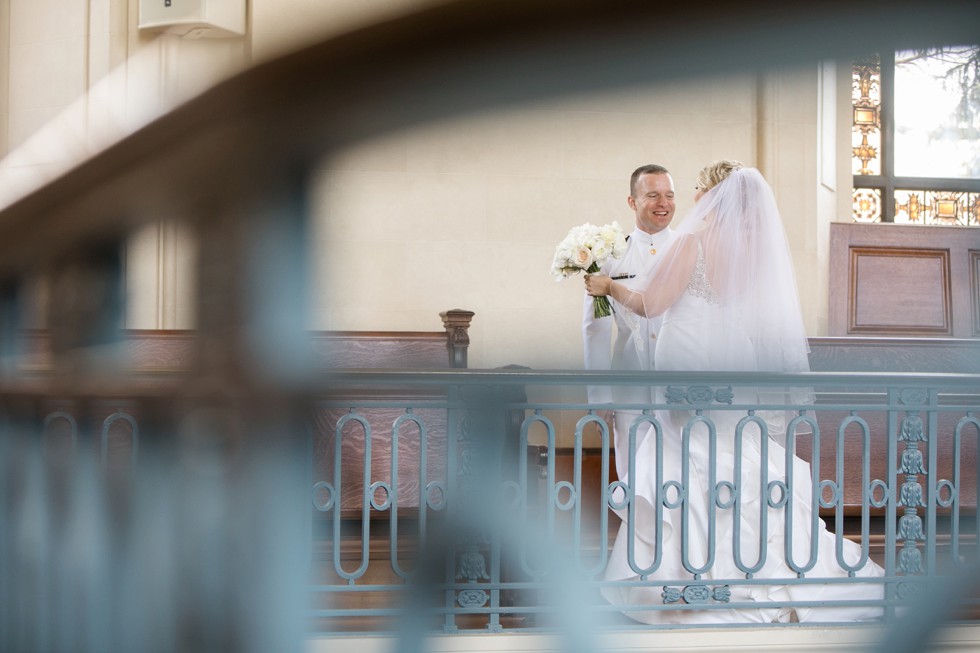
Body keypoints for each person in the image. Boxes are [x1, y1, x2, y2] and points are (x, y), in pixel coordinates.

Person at [585, 160, 885, 624]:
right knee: (732, 454)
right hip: (727, 358)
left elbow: (650, 305)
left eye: (700, 189)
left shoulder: (691, 241)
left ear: (713, 196)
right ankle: (752, 573)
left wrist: (608, 286)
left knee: (689, 460)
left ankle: (697, 579)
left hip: (687, 360)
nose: (694, 198)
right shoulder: (750, 251)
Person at [583, 164, 675, 493]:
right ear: (632, 202)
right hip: (628, 387)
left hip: (678, 384)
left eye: (669, 194)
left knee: (679, 480)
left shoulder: (687, 250)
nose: (663, 203)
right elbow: (596, 329)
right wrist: (599, 397)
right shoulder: (610, 256)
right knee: (632, 478)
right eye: (652, 195)